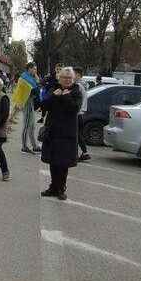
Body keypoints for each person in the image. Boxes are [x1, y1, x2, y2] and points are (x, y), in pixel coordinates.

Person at [40, 67, 82, 201]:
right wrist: (54, 96)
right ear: (60, 78)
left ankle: (61, 188)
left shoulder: (76, 91)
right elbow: (43, 105)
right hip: (53, 131)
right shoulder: (54, 88)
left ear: (73, 79)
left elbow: (75, 108)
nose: (67, 80)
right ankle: (53, 187)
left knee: (63, 163)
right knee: (53, 161)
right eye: (64, 77)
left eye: (70, 78)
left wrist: (66, 96)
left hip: (67, 133)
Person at [20, 62, 41, 154]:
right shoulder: (26, 78)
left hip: (30, 102)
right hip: (27, 102)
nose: (35, 71)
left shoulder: (28, 77)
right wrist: (37, 81)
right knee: (27, 125)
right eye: (34, 69)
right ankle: (24, 146)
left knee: (31, 125)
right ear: (29, 69)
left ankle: (34, 145)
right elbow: (36, 90)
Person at [74, 67, 90, 161]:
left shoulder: (79, 86)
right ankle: (85, 153)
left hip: (77, 113)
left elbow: (78, 101)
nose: (72, 76)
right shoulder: (83, 84)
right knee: (78, 135)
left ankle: (75, 155)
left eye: (74, 74)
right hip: (80, 113)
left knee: (75, 135)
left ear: (79, 75)